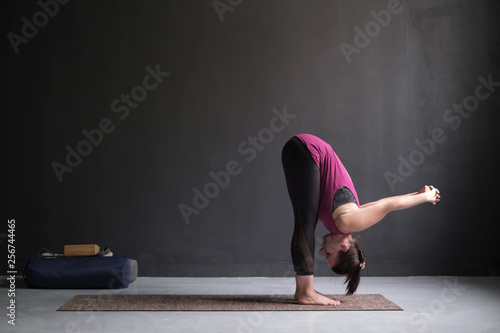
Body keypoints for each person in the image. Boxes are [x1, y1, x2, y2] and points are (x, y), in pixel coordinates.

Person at [281, 134, 440, 306]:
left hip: (301, 148)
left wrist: (417, 194)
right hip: (308, 150)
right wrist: (426, 197)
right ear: (343, 247)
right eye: (328, 254)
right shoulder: (348, 222)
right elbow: (387, 205)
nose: (321, 252)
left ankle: (304, 291)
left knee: (305, 222)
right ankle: (305, 292)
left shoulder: (346, 221)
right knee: (305, 225)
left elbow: (381, 203)